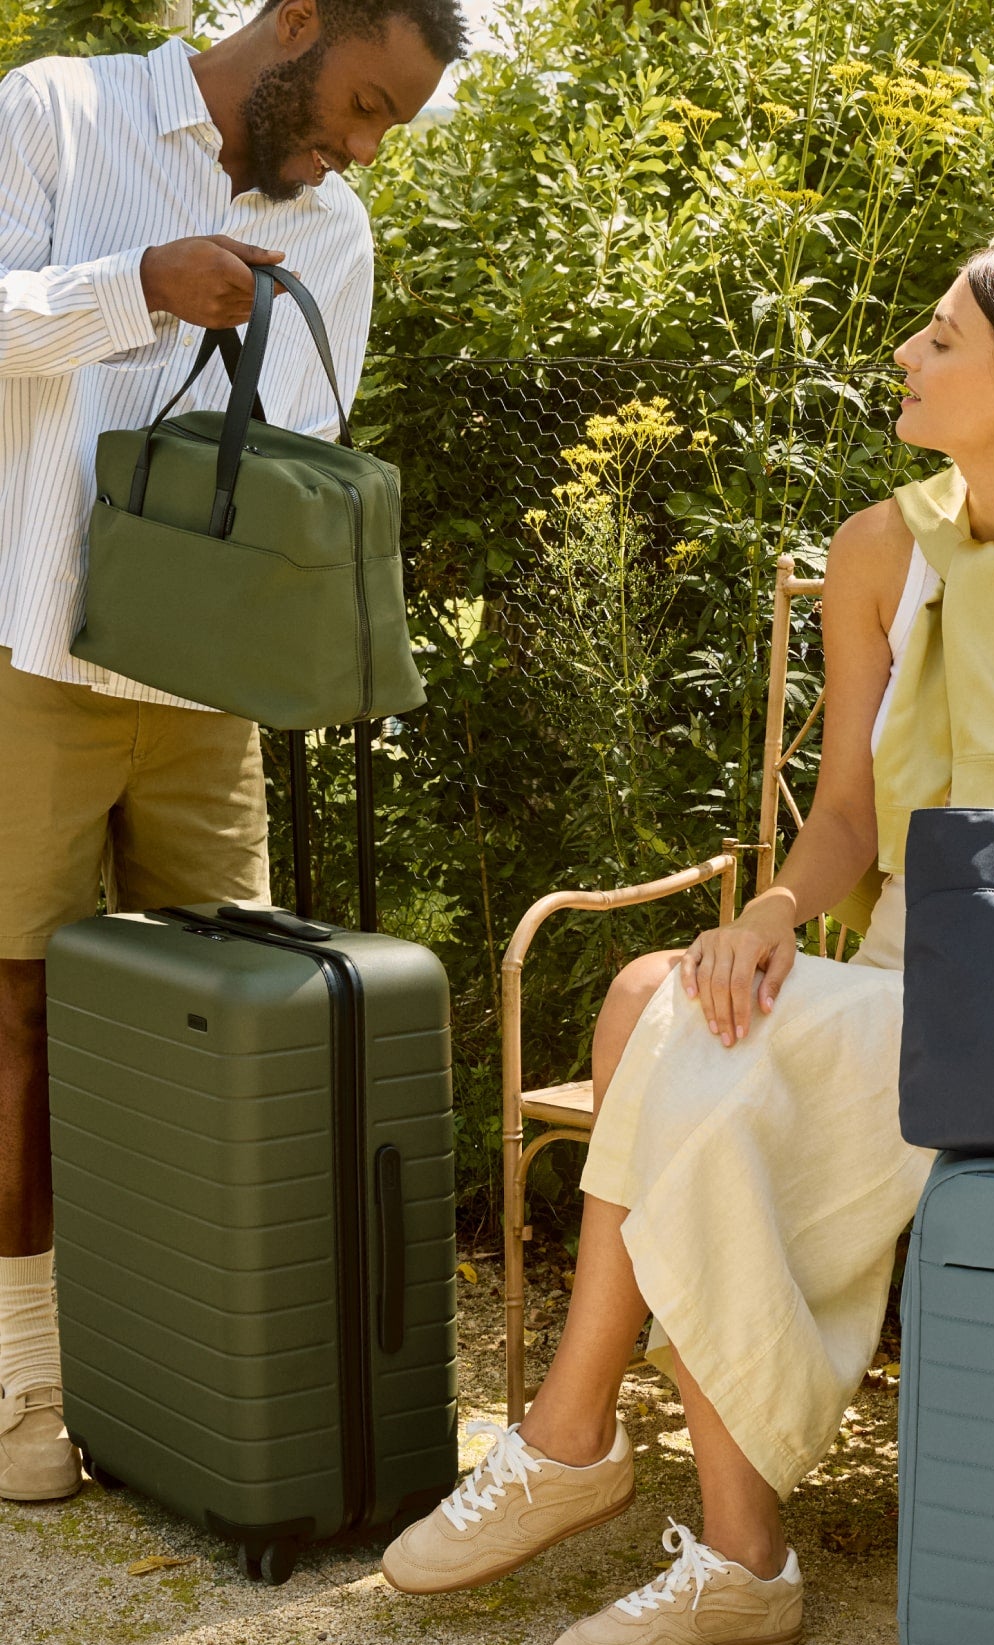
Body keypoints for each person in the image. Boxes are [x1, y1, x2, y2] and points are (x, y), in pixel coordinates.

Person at [382, 242, 994, 1645]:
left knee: (667, 1025)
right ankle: (720, 1545)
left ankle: (591, 1446)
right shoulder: (883, 548)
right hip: (911, 975)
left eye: (943, 339)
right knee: (678, 1008)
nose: (909, 356)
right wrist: (778, 909)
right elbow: (846, 817)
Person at [0, 0, 467, 1505]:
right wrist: (136, 284)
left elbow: (291, 460)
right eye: (364, 101)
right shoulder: (61, 113)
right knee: (18, 1018)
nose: (358, 145)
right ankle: (24, 1379)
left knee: (224, 1017)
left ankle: (189, 1375)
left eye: (388, 123)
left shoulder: (332, 230)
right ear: (301, 20)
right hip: (24, 645)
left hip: (205, 689)